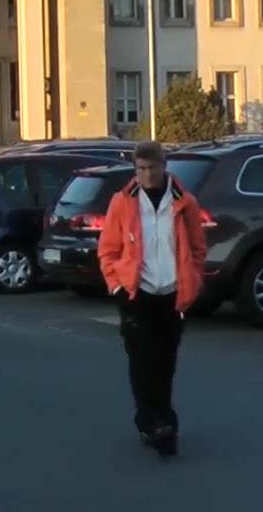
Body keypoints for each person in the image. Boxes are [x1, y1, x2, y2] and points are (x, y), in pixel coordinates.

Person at [97, 140, 207, 458]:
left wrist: (193, 280)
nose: (146, 175)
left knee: (165, 363)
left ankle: (158, 419)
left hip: (172, 295)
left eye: (152, 168)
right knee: (142, 362)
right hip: (137, 293)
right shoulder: (123, 202)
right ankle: (157, 423)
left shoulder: (185, 203)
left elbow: (198, 249)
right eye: (140, 169)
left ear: (164, 166)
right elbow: (108, 250)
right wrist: (117, 286)